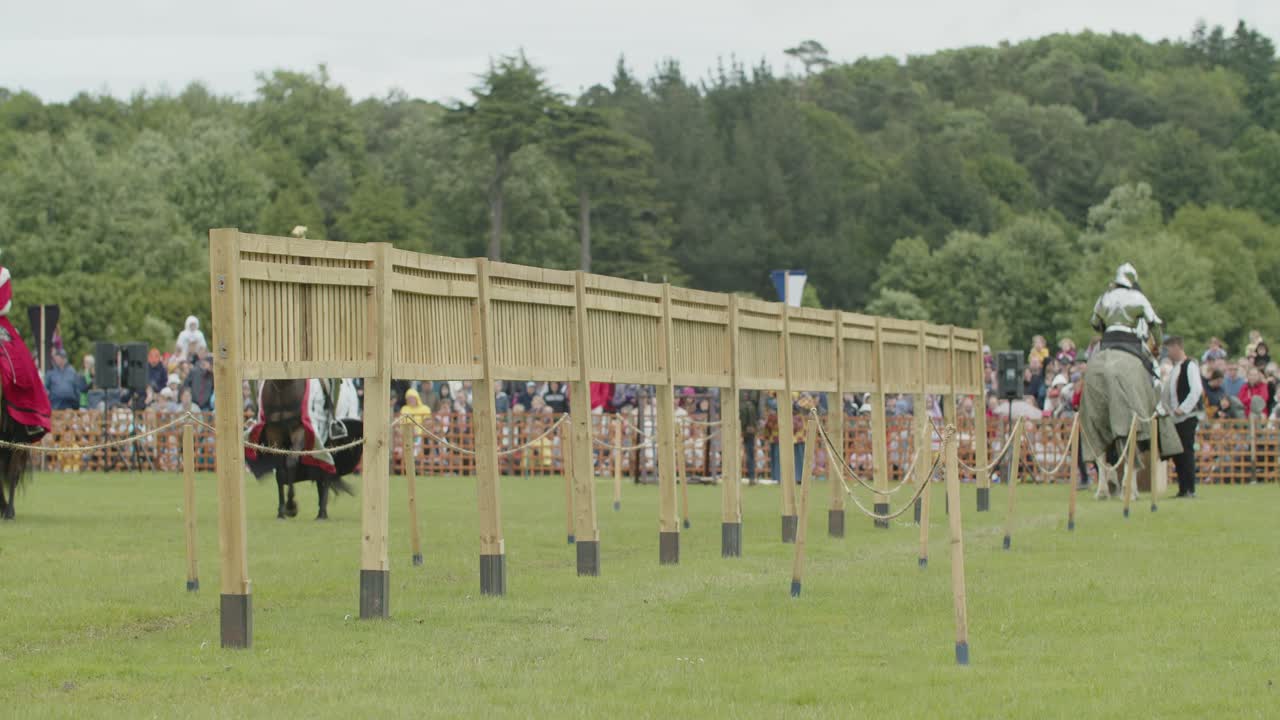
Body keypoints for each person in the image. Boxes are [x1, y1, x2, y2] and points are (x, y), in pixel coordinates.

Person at [1081, 262, 1181, 499]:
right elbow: (1155, 324)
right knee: (1155, 379)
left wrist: (1106, 325)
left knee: (1094, 413)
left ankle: (1102, 483)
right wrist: (1156, 347)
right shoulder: (1137, 297)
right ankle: (1157, 415)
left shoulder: (1104, 297)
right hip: (1131, 346)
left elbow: (1094, 322)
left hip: (1105, 346)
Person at [1162, 337, 1203, 499]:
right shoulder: (1174, 369)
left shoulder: (1190, 365)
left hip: (1187, 416)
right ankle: (1182, 488)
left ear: (1177, 347)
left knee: (1186, 452)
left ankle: (1190, 488)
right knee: (1178, 454)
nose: (1168, 353)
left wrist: (1183, 408)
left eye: (1169, 349)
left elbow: (1196, 390)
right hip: (1175, 417)